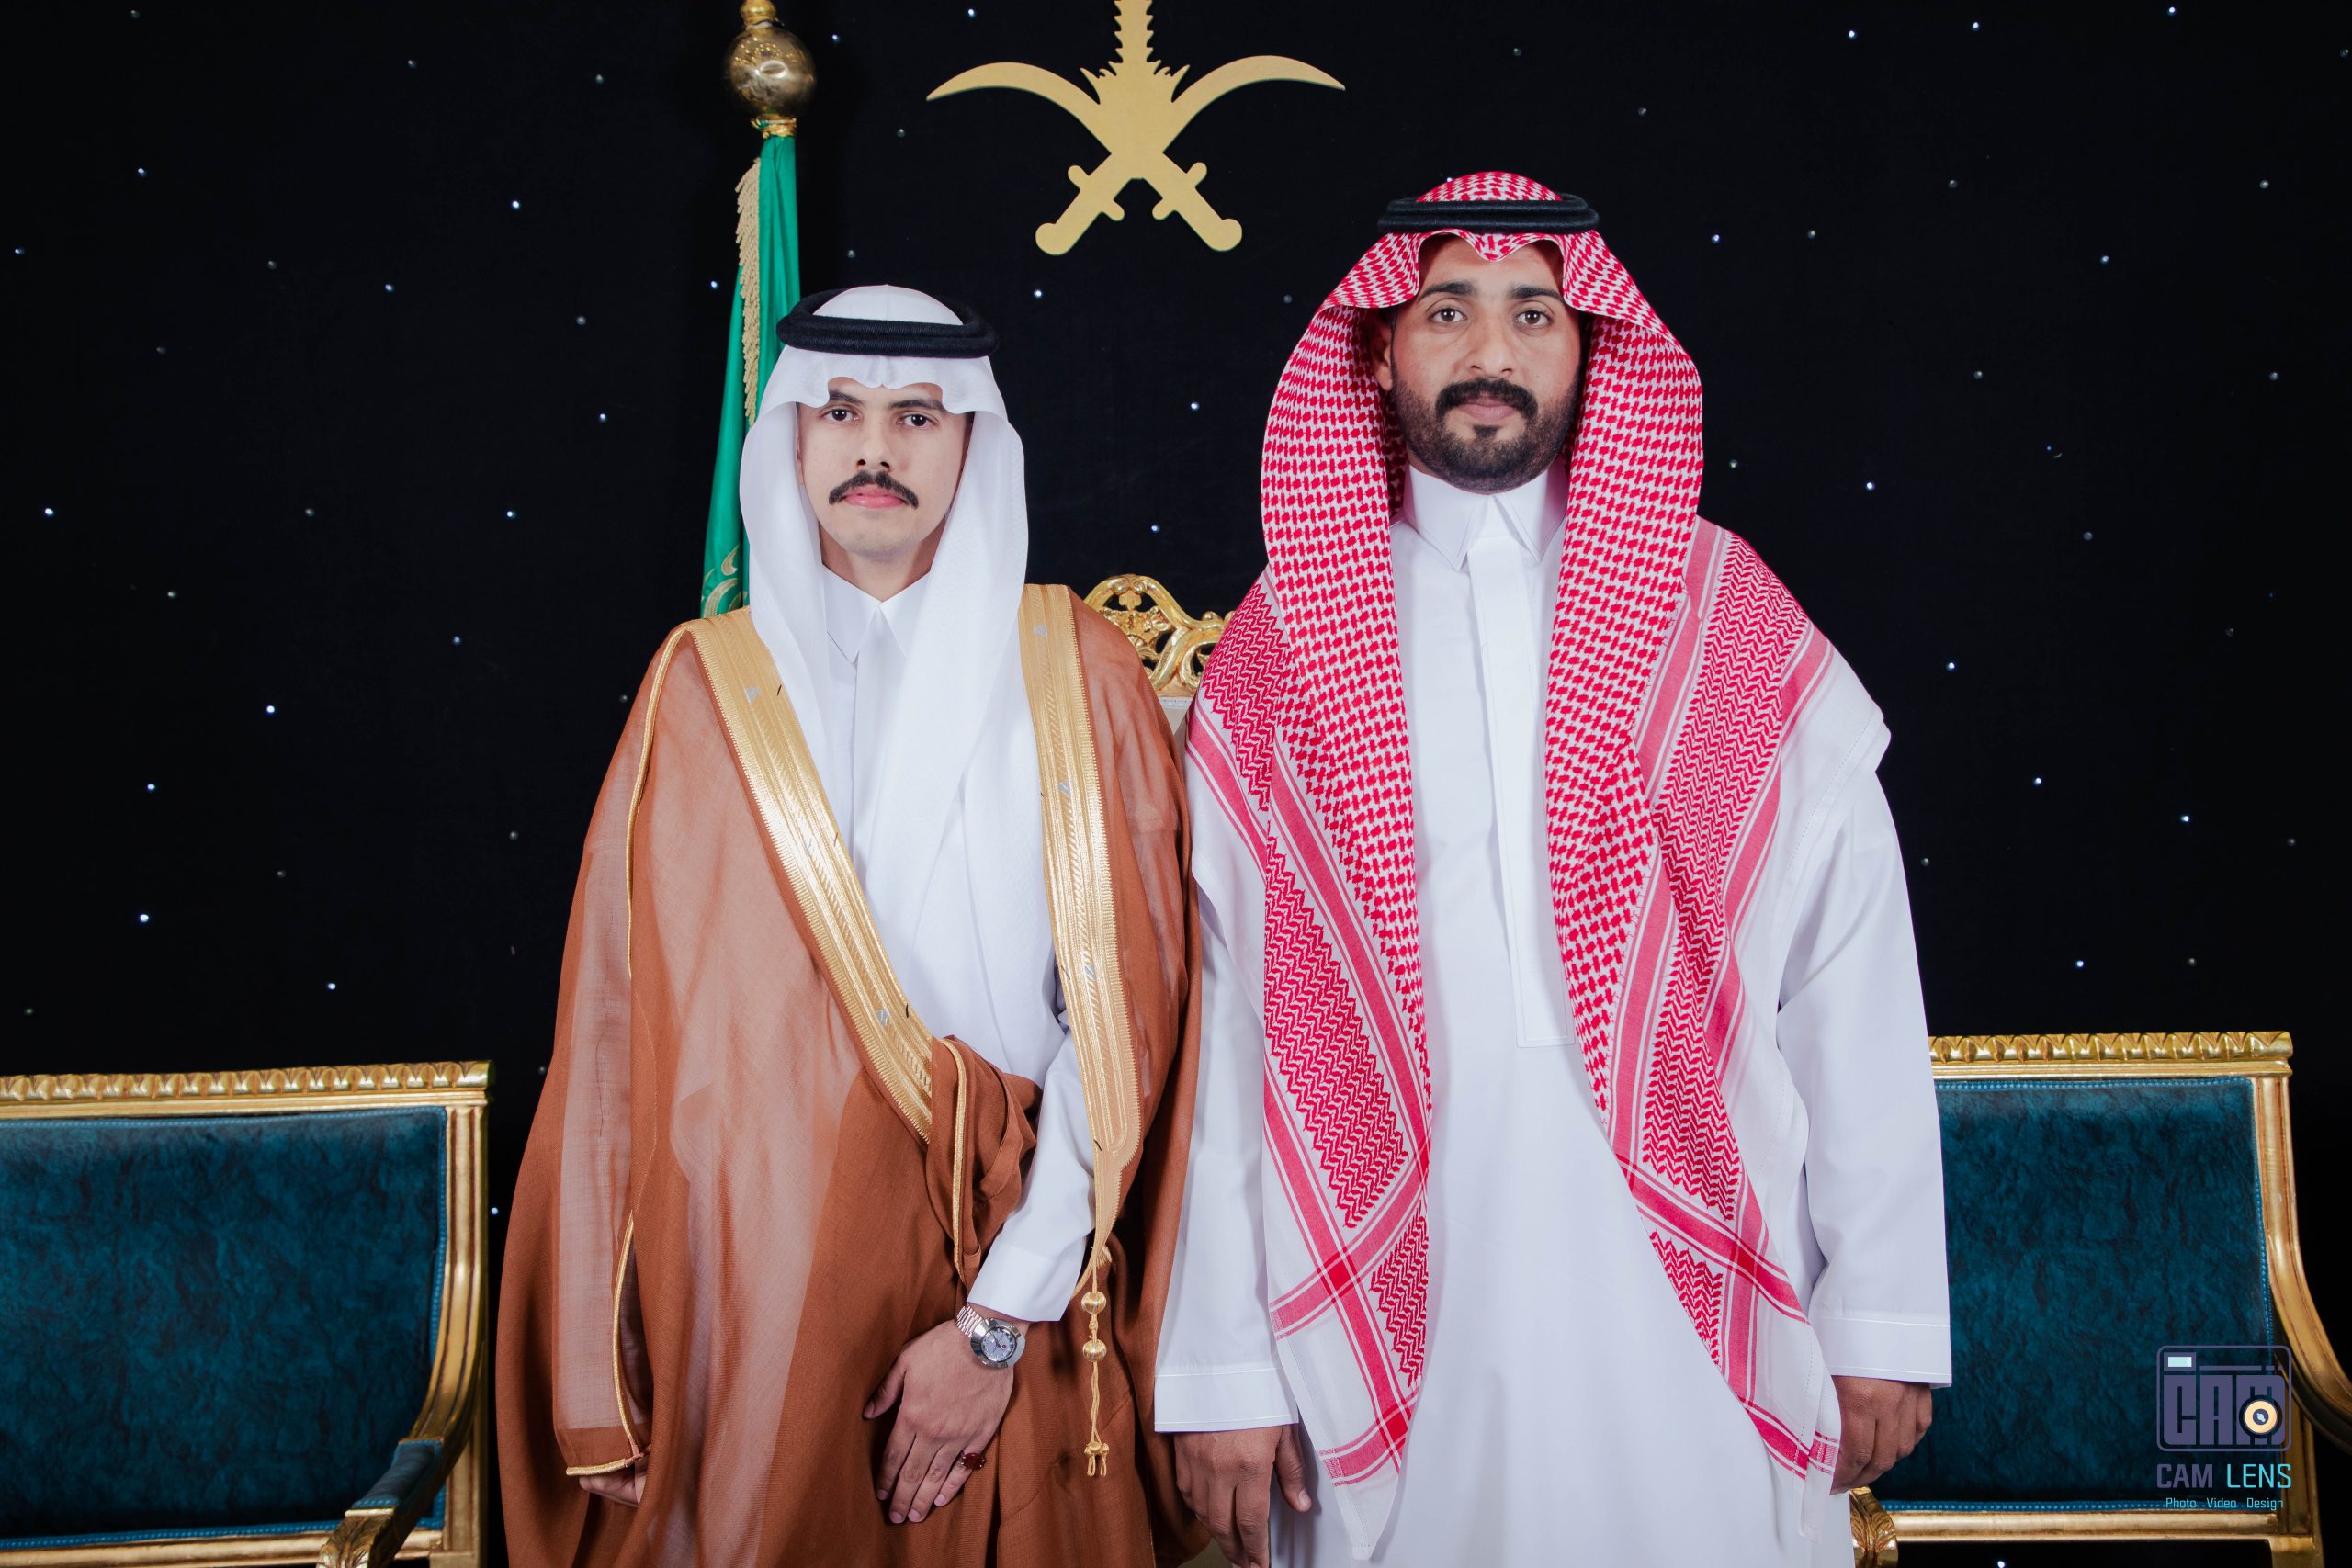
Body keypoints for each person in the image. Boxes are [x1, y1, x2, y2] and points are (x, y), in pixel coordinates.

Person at [1156, 174, 1953, 1566]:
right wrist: (1222, 1362)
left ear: (1591, 350)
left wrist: (1882, 1310)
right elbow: (1225, 1023)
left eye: (1534, 314)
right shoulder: (1283, 646)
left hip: (1692, 1256)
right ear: (1380, 350)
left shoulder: (1724, 616)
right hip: (1385, 1255)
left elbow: (1853, 977)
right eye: (1447, 312)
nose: (1491, 352)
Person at [497, 285, 1202, 1567]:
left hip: (1019, 1262)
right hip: (753, 1294)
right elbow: (618, 1033)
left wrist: (999, 1321)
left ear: (973, 442)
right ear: (791, 435)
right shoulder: (702, 682)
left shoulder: (1076, 668)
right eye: (840, 413)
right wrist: (623, 1346)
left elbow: (1127, 1026)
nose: (876, 448)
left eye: (918, 415)